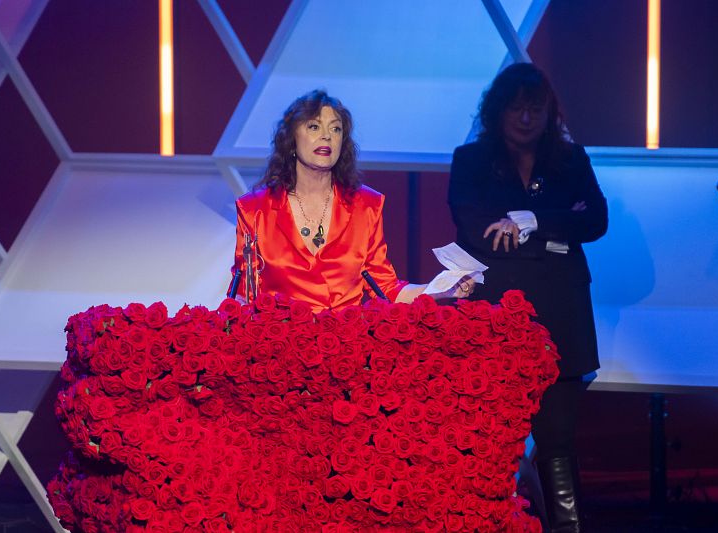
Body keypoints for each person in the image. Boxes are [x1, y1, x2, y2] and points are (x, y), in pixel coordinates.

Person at [447, 63, 608, 532]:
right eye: (517, 109)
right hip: (497, 312)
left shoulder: (571, 160)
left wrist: (528, 221)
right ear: (499, 112)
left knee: (557, 439)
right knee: (491, 439)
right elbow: (472, 225)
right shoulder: (471, 160)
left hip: (563, 311)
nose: (525, 119)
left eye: (535, 109)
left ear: (548, 113)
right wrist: (557, 226)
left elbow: (595, 220)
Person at [231, 89, 474, 311]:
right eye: (314, 127)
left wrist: (440, 288)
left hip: (346, 347)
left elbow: (386, 288)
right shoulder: (255, 209)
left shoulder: (366, 205)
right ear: (291, 140)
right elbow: (244, 295)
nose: (326, 136)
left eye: (335, 129)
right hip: (282, 345)